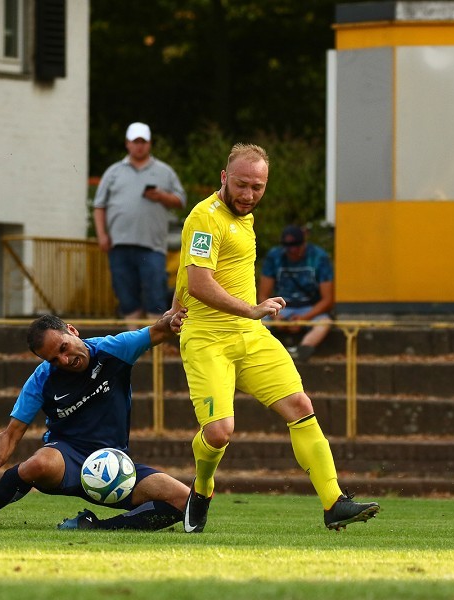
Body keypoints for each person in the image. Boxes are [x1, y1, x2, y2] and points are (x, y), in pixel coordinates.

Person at [172, 143, 379, 533]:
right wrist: (251, 309)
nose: (249, 195)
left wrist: (175, 305)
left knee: (300, 405)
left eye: (258, 187)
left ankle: (334, 502)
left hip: (250, 337)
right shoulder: (204, 217)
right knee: (219, 433)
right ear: (224, 177)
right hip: (209, 341)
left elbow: (191, 271)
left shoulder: (244, 218)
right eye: (241, 184)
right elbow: (199, 282)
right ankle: (202, 488)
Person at [0, 310, 190, 531]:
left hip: (113, 466)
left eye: (64, 348)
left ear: (72, 331)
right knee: (38, 463)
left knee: (183, 500)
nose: (65, 360)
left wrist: (171, 321)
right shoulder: (42, 379)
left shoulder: (114, 349)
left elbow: (158, 331)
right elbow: (13, 431)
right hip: (66, 458)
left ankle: (94, 527)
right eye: (54, 359)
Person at [93, 122, 186, 326]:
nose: (139, 146)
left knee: (156, 294)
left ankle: (156, 342)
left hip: (153, 246)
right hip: (119, 245)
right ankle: (134, 338)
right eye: (135, 141)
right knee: (126, 296)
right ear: (128, 143)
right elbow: (99, 205)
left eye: (143, 141)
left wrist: (161, 196)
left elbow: (181, 200)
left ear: (149, 143)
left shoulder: (164, 172)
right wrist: (102, 235)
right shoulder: (113, 172)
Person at [258, 224, 334, 359]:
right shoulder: (274, 256)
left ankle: (304, 348)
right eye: (288, 247)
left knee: (325, 322)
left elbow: (327, 300)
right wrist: (275, 316)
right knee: (256, 322)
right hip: (280, 307)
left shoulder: (319, 257)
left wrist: (305, 318)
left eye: (296, 247)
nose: (292, 251)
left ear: (303, 243)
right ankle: (265, 352)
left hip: (310, 307)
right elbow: (263, 295)